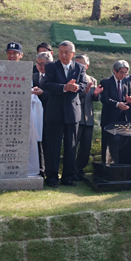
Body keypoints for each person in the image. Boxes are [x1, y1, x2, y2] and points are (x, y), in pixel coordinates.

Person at [39, 41, 88, 187]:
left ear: (73, 54)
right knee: (53, 146)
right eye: (61, 52)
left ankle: (68, 177)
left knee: (71, 146)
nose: (63, 55)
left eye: (67, 52)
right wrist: (64, 88)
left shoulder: (79, 67)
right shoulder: (51, 67)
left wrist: (76, 86)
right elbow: (46, 84)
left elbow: (84, 85)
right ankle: (52, 177)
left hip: (72, 112)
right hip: (55, 112)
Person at [74, 54, 102, 178]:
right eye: (77, 64)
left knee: (86, 147)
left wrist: (96, 95)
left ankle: (80, 169)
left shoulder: (92, 80)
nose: (80, 66)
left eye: (82, 64)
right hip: (75, 118)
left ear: (87, 65)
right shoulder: (72, 79)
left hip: (88, 118)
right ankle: (70, 170)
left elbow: (95, 100)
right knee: (73, 146)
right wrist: (83, 92)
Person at [99, 60, 131, 164]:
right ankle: (106, 164)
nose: (124, 75)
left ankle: (120, 164)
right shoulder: (106, 82)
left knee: (121, 144)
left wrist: (129, 100)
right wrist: (118, 104)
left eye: (126, 73)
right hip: (109, 119)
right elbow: (104, 99)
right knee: (108, 143)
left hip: (122, 119)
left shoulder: (127, 82)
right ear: (115, 71)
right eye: (121, 72)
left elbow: (130, 96)